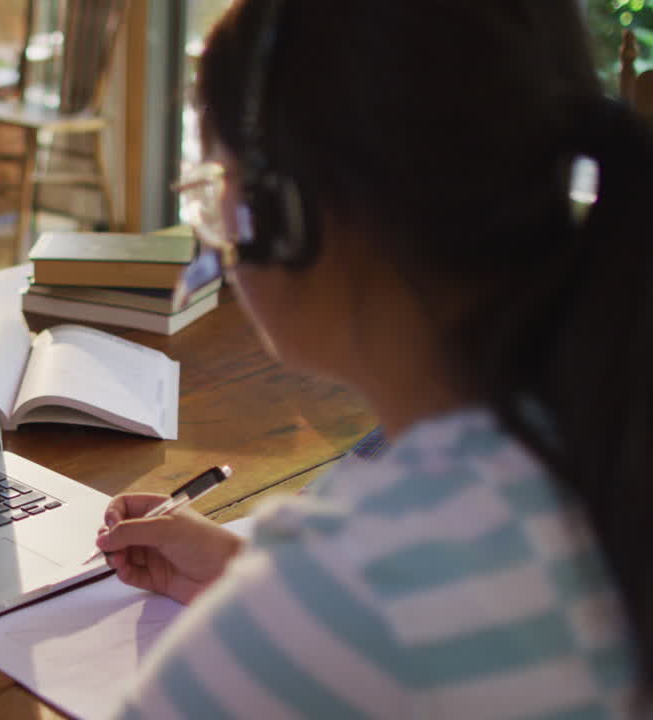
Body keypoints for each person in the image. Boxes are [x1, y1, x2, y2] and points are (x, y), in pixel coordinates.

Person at [94, 1, 649, 716]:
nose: (219, 237)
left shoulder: (350, 591)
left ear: (289, 211)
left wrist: (291, 613)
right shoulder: (599, 439)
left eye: (215, 187)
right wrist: (253, 579)